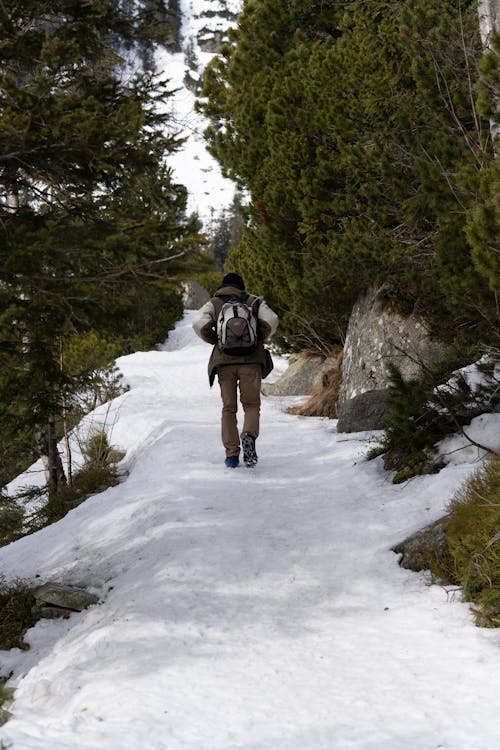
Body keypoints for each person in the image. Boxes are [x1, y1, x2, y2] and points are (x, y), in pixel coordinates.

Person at [192, 272, 279, 468]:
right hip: (251, 361)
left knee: (228, 409)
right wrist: (258, 338)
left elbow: (198, 323)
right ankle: (248, 435)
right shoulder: (253, 301)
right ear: (242, 286)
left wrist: (215, 340)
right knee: (251, 405)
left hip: (224, 363)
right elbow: (272, 320)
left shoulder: (214, 303)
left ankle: (231, 454)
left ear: (223, 286)